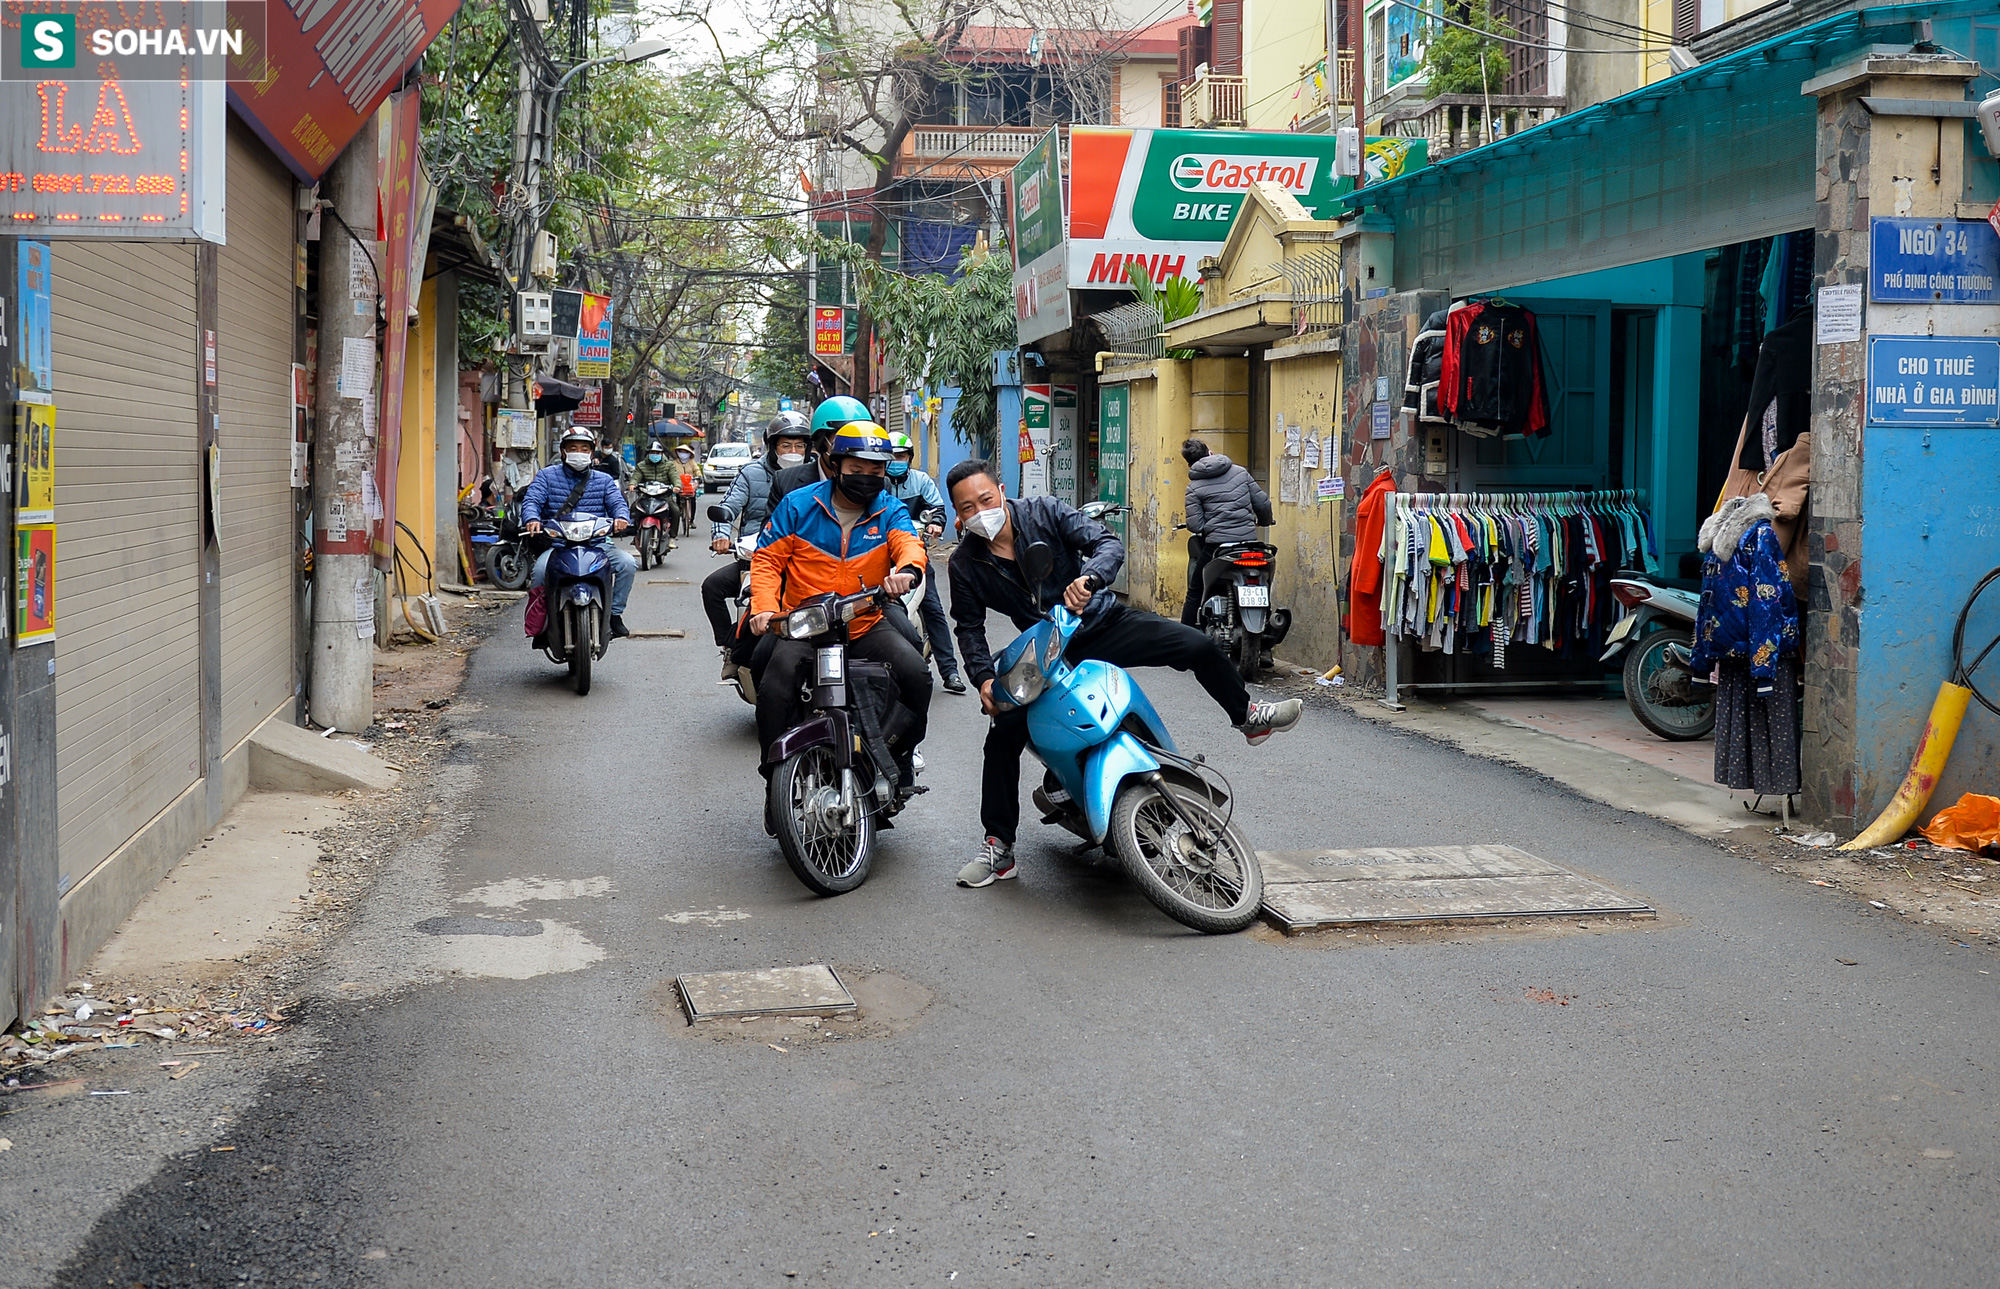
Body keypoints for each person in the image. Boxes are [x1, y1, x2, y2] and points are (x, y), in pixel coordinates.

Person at [945, 459, 1302, 887]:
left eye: (985, 499)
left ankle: (1247, 716)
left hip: (1099, 622)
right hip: (1046, 650)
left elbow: (1106, 541)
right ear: (957, 515)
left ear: (1001, 492)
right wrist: (983, 678)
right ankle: (999, 847)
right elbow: (968, 628)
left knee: (1197, 645)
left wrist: (1090, 579)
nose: (979, 512)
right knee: (1003, 733)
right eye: (967, 508)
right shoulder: (965, 563)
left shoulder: (1043, 511)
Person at [750, 423, 933, 785]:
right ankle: (773, 777)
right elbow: (767, 561)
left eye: (875, 471)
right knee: (772, 688)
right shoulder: (798, 505)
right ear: (836, 465)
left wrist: (907, 571)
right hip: (806, 624)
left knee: (917, 676)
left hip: (864, 619)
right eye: (857, 469)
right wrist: (764, 608)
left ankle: (898, 755)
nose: (866, 477)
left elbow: (910, 546)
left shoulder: (891, 510)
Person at [704, 411, 809, 681]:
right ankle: (730, 645)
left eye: (799, 445)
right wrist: (721, 534)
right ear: (772, 446)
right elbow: (728, 506)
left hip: (804, 561)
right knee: (712, 587)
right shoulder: (751, 473)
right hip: (757, 557)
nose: (793, 451)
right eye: (786, 445)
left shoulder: (816, 475)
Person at [519, 427, 636, 638]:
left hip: (597, 545)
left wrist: (621, 518)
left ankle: (615, 614)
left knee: (627, 564)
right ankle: (541, 622)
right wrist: (532, 519)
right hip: (558, 546)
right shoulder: (546, 476)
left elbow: (617, 502)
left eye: (584, 448)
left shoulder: (604, 480)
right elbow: (532, 500)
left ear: (592, 452)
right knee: (539, 572)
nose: (578, 452)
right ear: (563, 451)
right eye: (573, 448)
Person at [881, 429, 966, 694]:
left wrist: (937, 525)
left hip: (914, 554)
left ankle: (950, 671)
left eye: (902, 455)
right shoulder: (876, 482)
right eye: (892, 456)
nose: (897, 460)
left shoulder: (921, 480)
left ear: (909, 457)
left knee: (933, 608)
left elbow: (937, 509)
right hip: (878, 557)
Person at [1178, 437, 1274, 627]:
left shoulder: (1193, 488)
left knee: (1195, 590)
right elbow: (1263, 504)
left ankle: (1185, 640)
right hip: (1249, 543)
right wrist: (1264, 521)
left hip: (1217, 547)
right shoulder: (1240, 473)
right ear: (1210, 452)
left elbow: (1196, 526)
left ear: (1189, 464)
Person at [771, 395, 869, 505]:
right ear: (821, 442)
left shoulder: (879, 483)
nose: (849, 451)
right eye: (840, 442)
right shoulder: (785, 482)